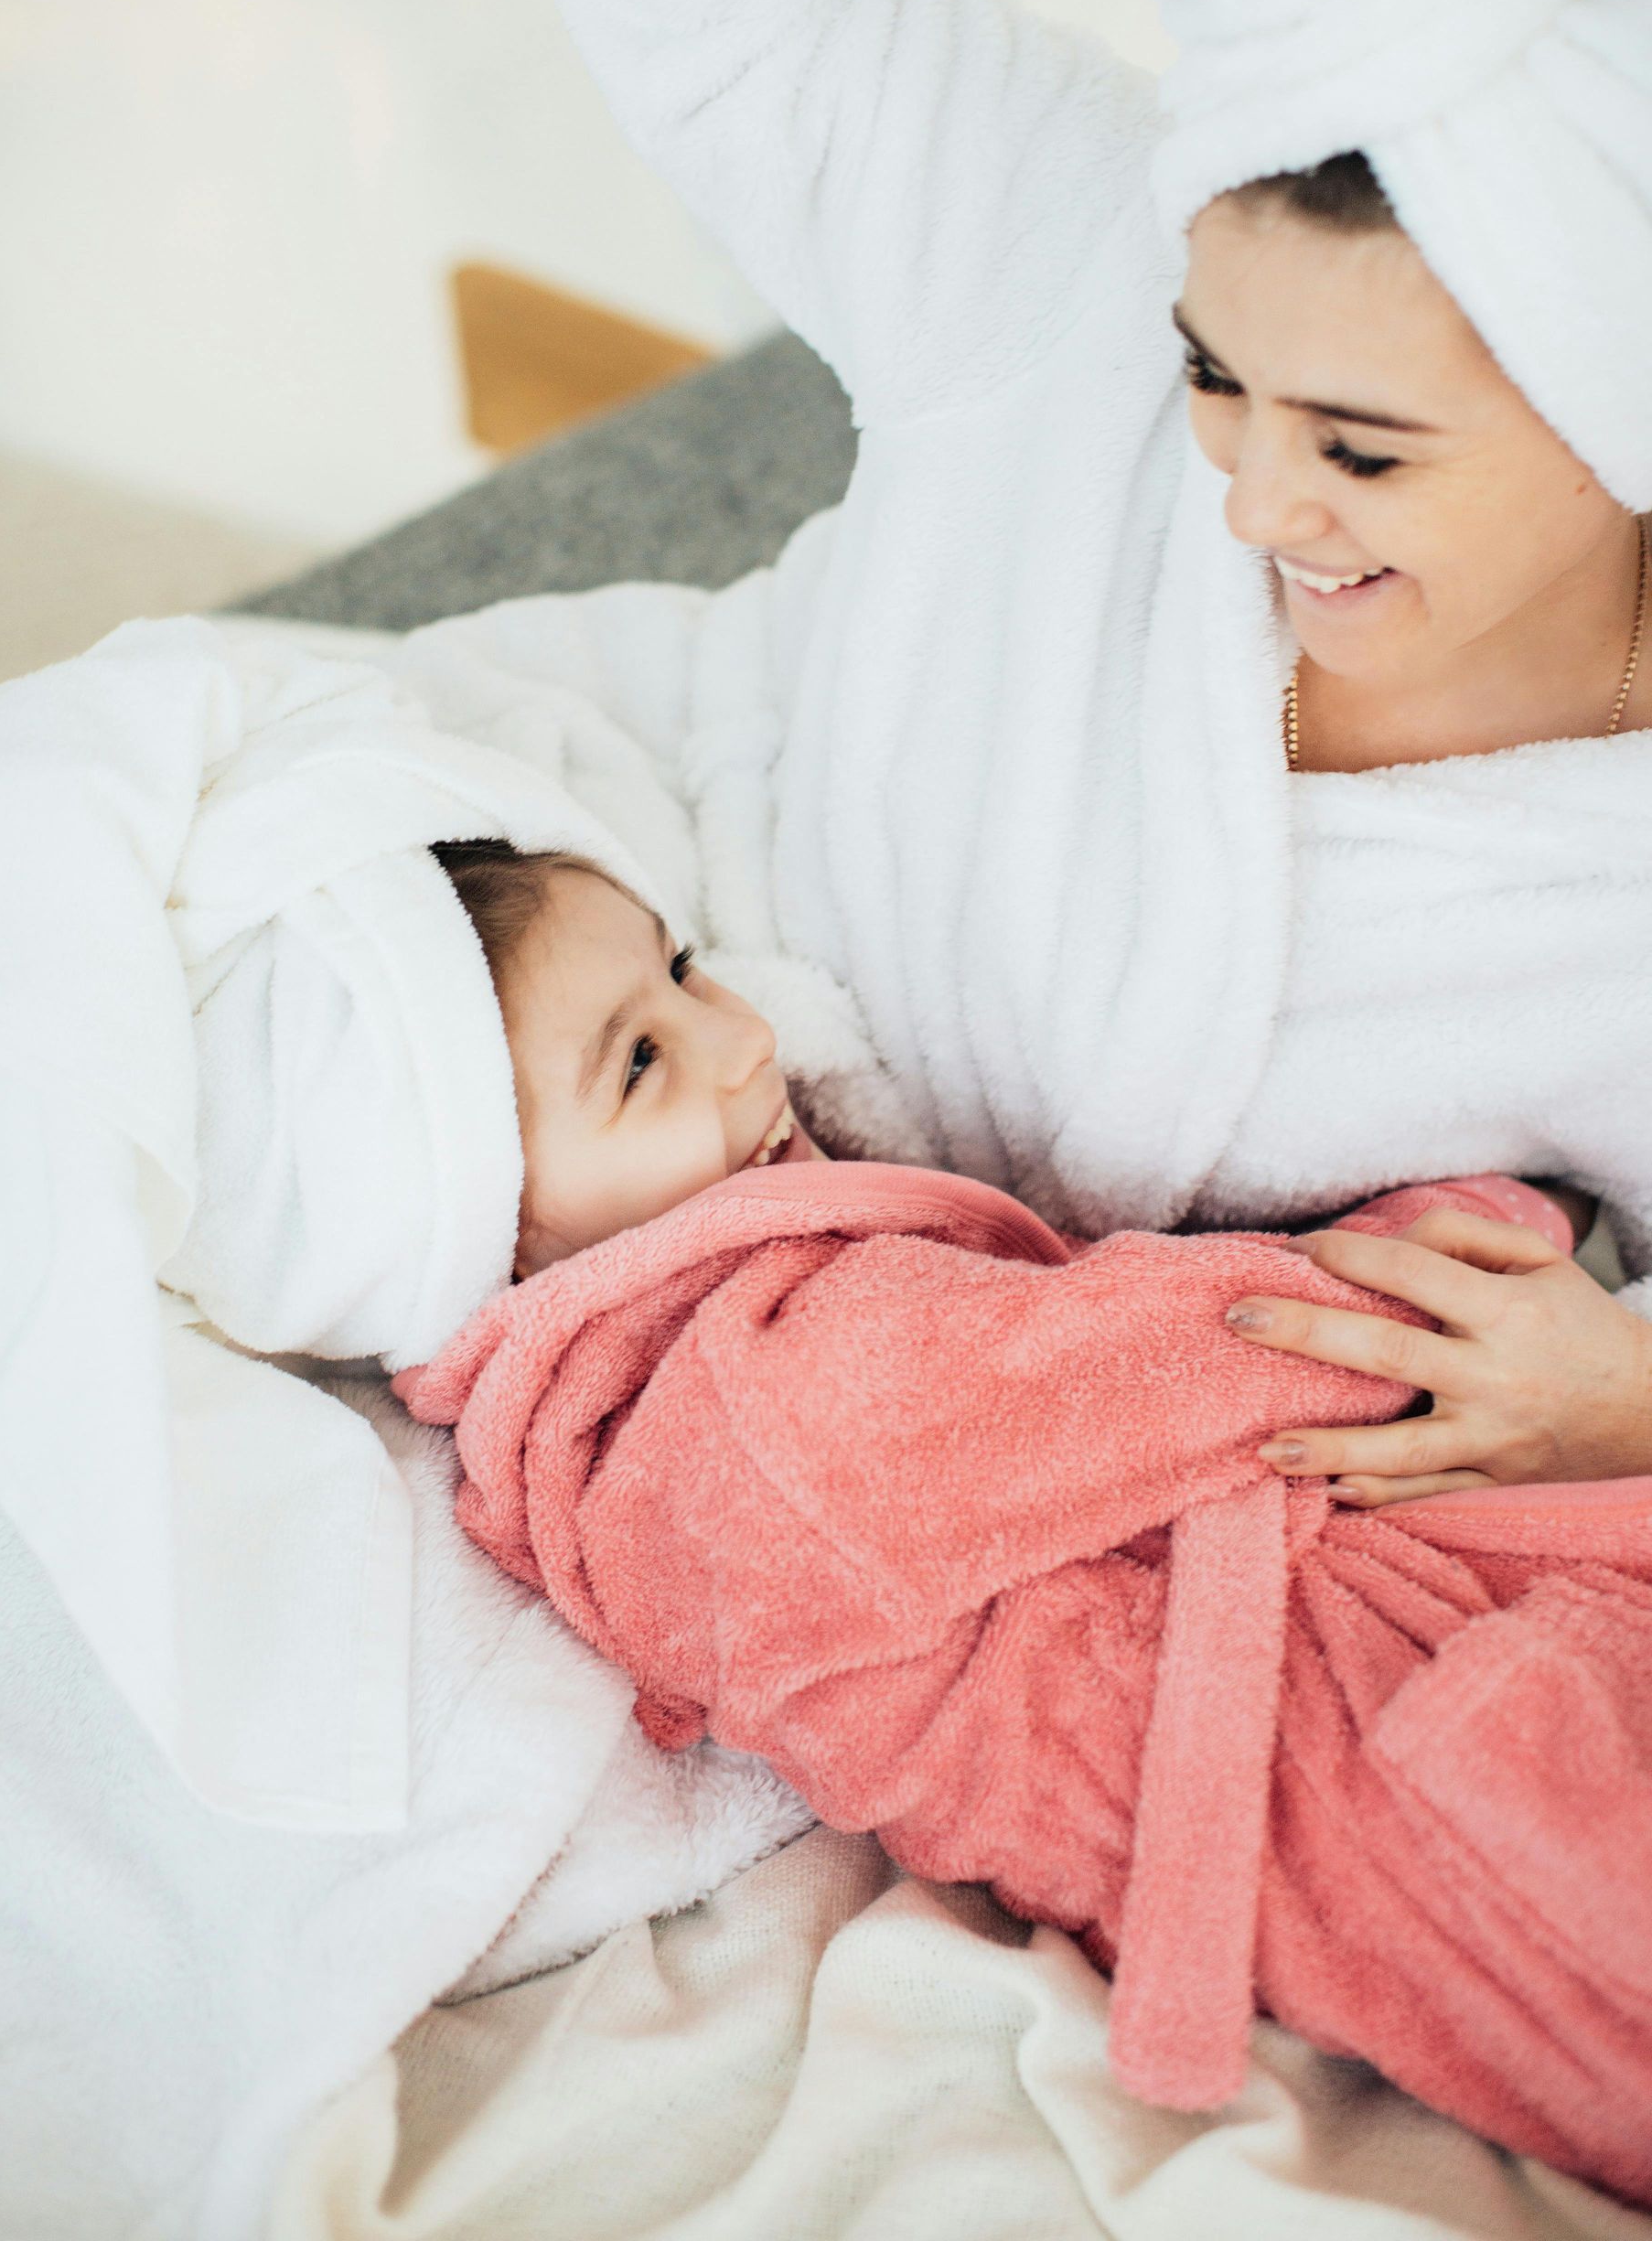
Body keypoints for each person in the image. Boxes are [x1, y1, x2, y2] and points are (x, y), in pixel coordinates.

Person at [475, 0, 1652, 1507]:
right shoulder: (1069, 258)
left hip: (993, 1411)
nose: (1257, 504)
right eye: (1215, 377)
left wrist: (1629, 1400)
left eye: (1363, 448)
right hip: (598, 940)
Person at [401, 835, 1652, 2203]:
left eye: (686, 970)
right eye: (638, 1062)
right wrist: (1489, 1236)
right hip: (1376, 1775)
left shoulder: (716, 1374)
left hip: (1380, 1719)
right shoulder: (760, 1421)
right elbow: (1220, 1345)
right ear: (496, 1219)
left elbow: (1120, 1355)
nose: (746, 1040)